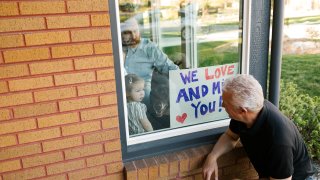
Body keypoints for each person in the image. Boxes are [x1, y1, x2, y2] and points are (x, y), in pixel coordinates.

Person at [202, 74, 315, 180]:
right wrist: (212, 157)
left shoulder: (279, 140)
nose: (222, 105)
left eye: (226, 103)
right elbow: (230, 137)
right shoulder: (248, 114)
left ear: (242, 110)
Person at [121, 17, 179, 108]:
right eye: (127, 32)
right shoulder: (116, 49)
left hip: (143, 103)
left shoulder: (149, 48)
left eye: (135, 31)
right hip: (120, 103)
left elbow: (172, 69)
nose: (133, 36)